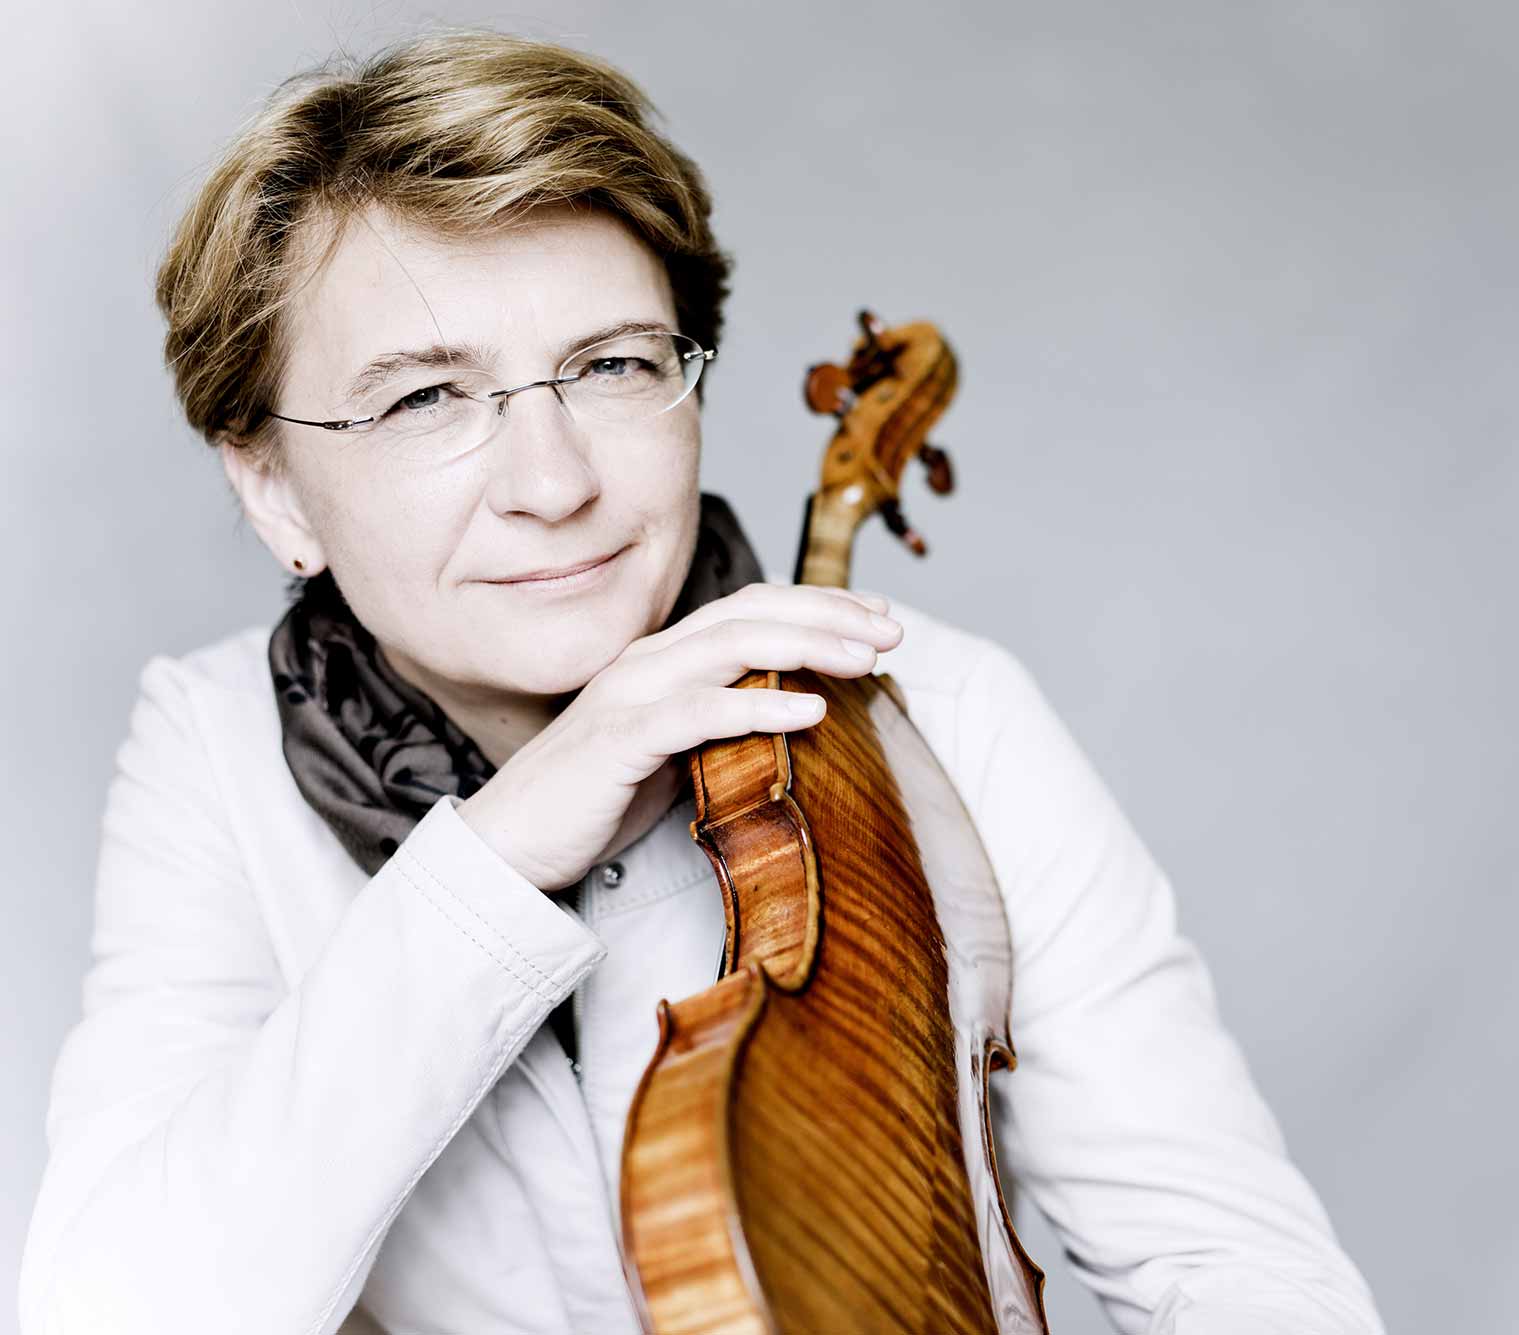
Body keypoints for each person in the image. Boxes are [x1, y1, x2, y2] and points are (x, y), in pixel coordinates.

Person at [18, 30, 1383, 1335]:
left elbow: (1233, 1268)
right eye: (427, 398)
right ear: (273, 489)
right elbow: (107, 1316)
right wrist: (496, 859)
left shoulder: (938, 715)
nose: (554, 483)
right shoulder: (216, 752)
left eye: (613, 366)